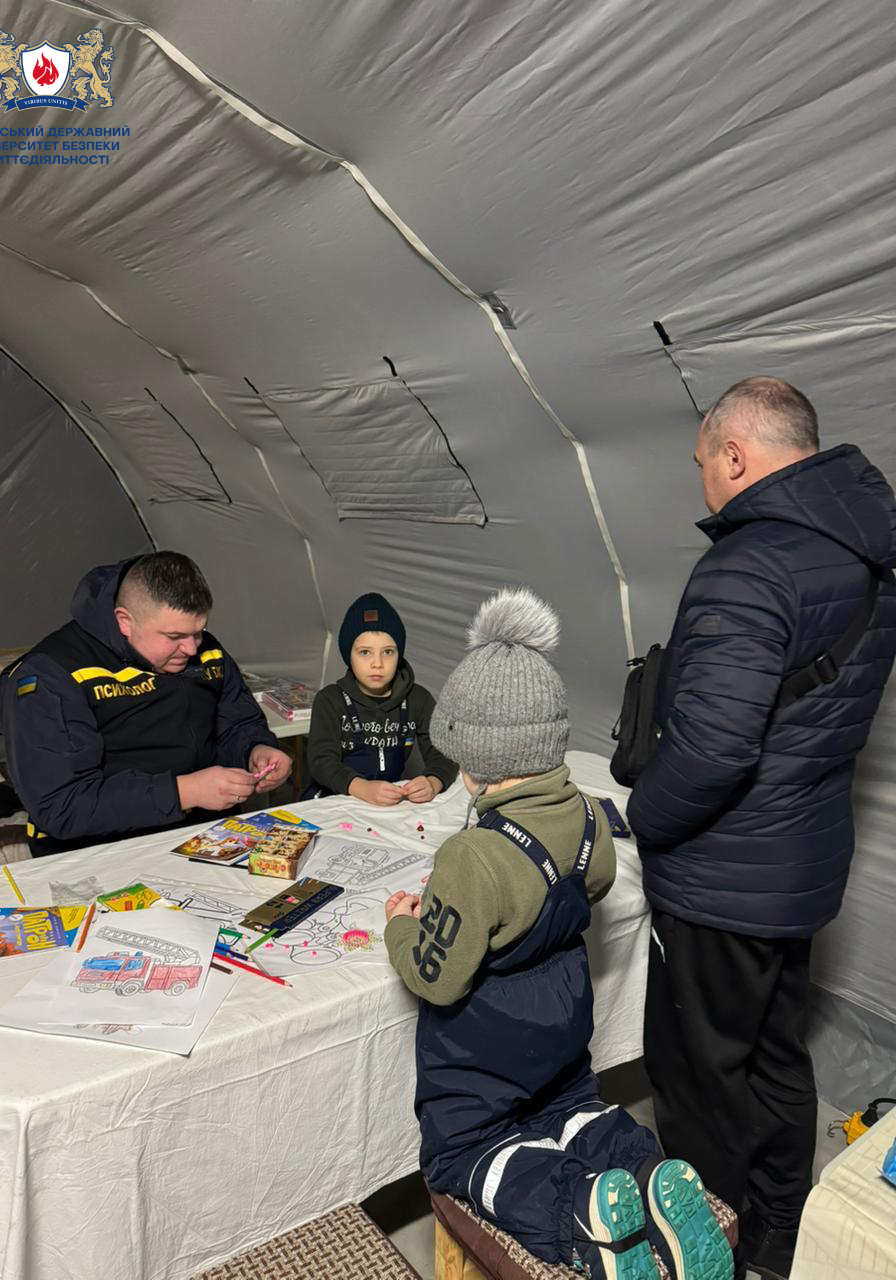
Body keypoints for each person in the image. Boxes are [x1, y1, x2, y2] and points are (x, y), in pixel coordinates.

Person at [626, 377, 896, 1280]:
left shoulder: (749, 564)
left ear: (735, 455)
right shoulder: (864, 553)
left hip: (723, 875)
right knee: (777, 1054)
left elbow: (713, 750)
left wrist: (644, 817)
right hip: (802, 861)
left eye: (704, 462)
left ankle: (707, 1248)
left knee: (699, 1076)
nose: (703, 480)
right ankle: (780, 1240)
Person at [385, 587, 732, 1280]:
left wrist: (401, 925)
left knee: (469, 1151)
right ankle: (648, 1176)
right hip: (563, 1023)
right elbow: (592, 886)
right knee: (572, 1111)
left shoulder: (472, 855)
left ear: (474, 760)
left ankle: (579, 1215)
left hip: (486, 1048)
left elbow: (436, 975)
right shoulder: (592, 817)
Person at [1, 552, 291, 853]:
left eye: (199, 631)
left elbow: (237, 722)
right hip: (97, 850)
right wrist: (184, 792)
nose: (191, 648)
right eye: (174, 636)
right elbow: (62, 806)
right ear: (124, 621)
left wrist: (255, 749)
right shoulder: (53, 675)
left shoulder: (207, 652)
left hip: (201, 835)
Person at [305, 592, 457, 803]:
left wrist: (433, 782)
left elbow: (446, 753)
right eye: (365, 652)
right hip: (334, 801)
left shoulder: (418, 699)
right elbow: (321, 762)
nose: (377, 663)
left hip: (390, 803)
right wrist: (362, 788)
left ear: (399, 654)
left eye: (387, 652)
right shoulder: (330, 700)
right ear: (348, 656)